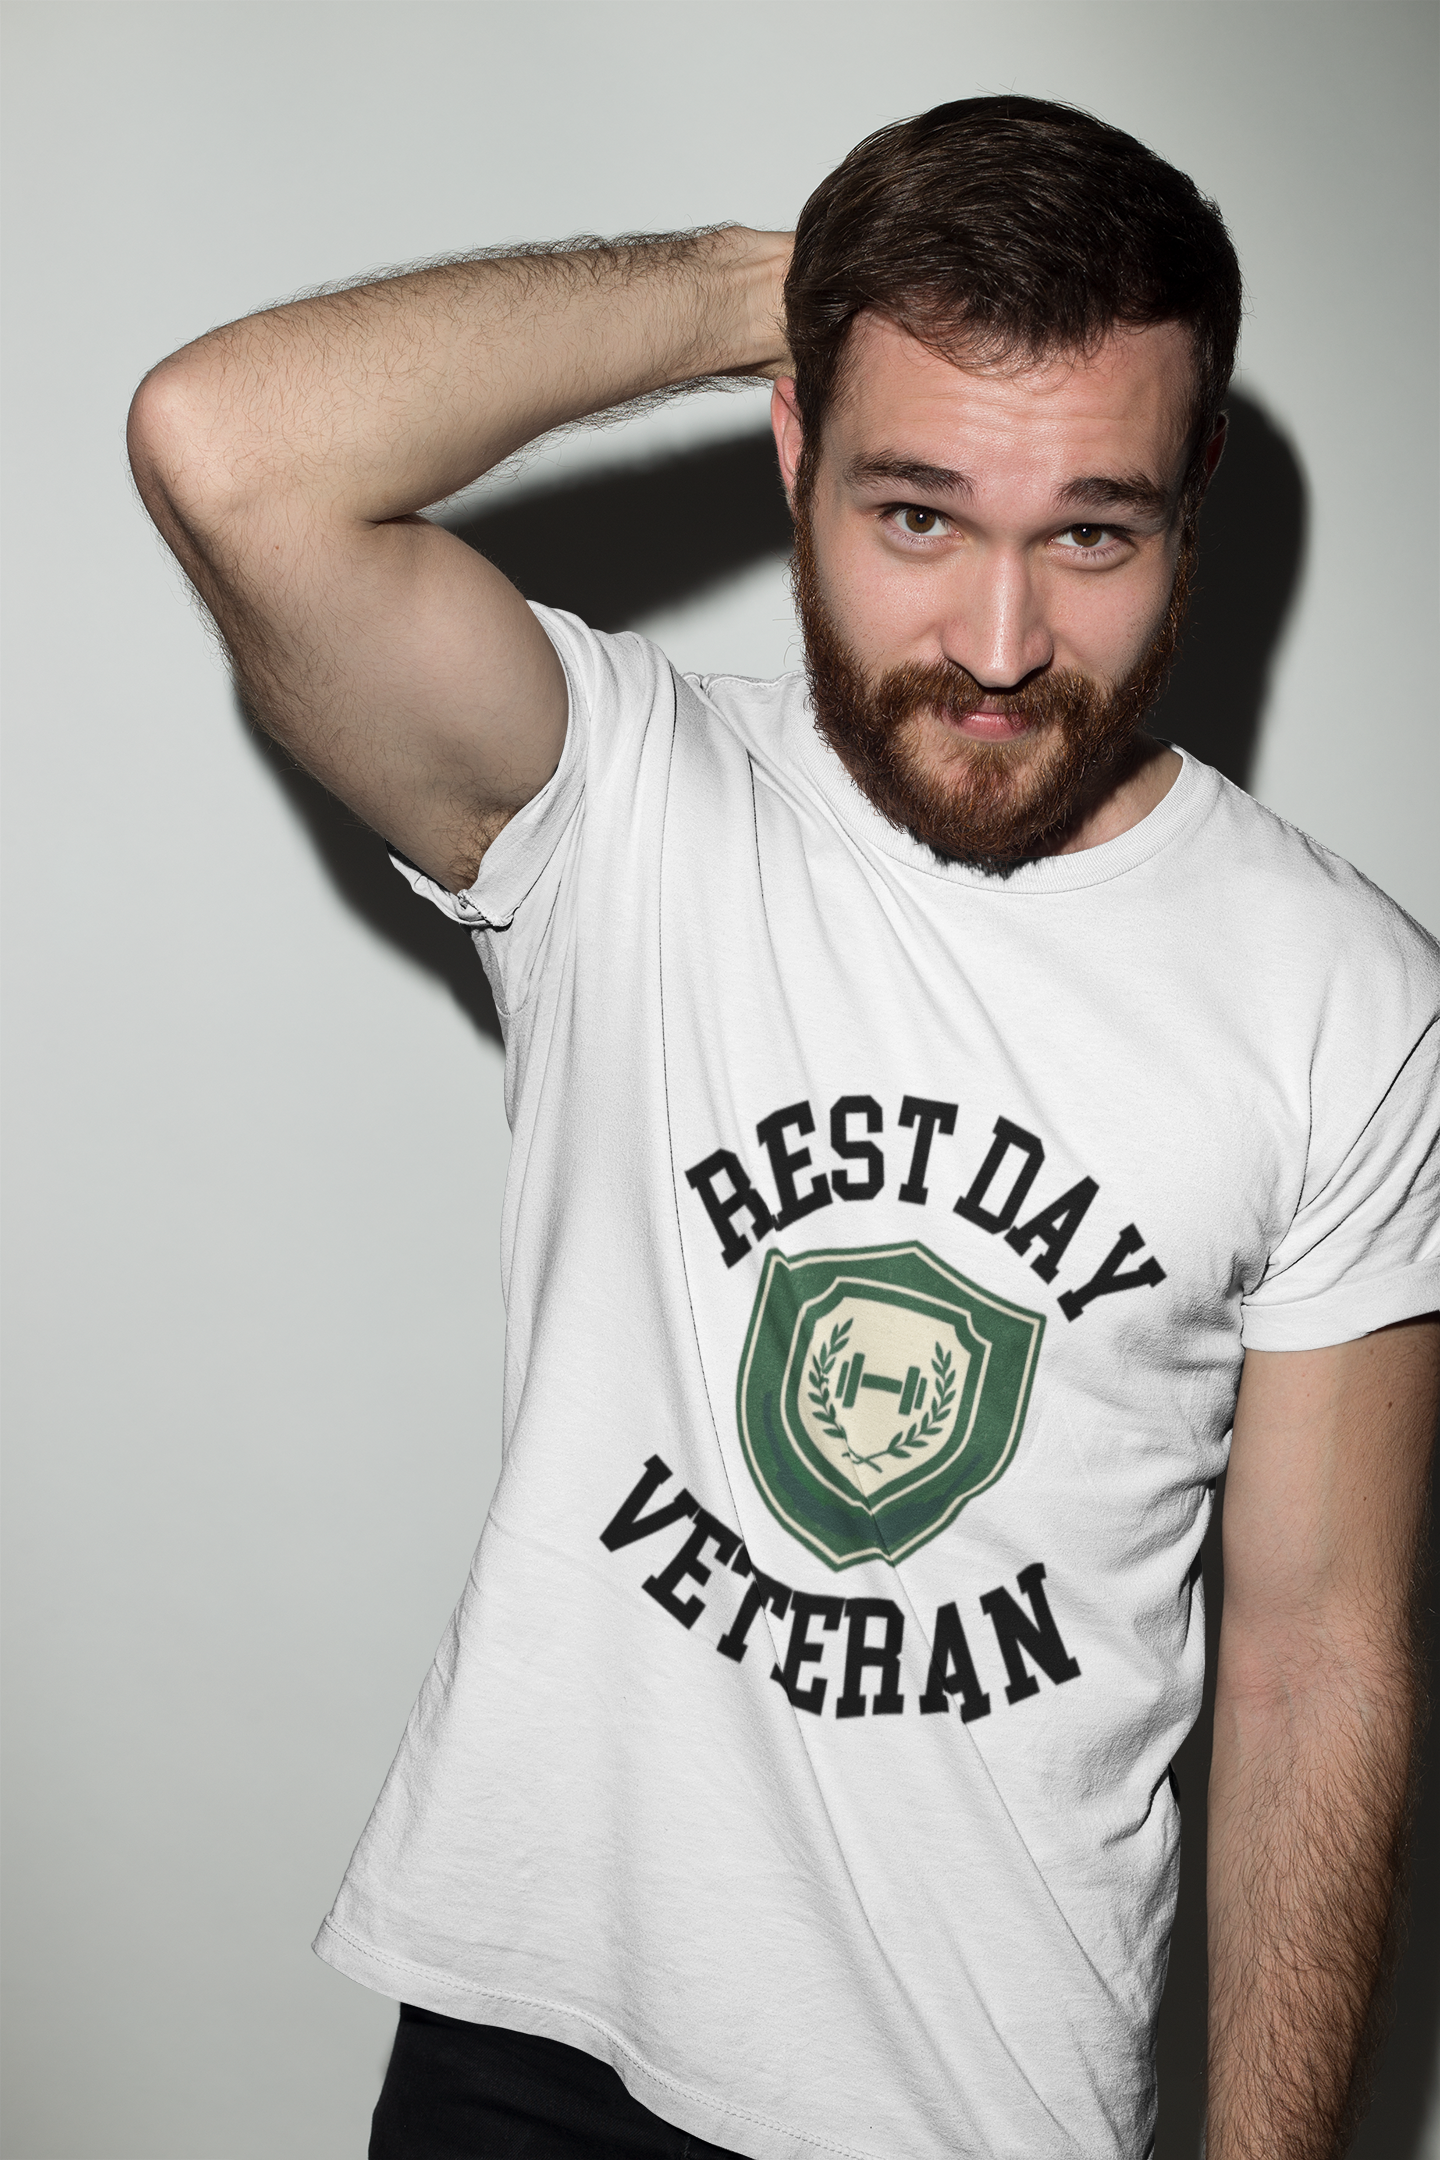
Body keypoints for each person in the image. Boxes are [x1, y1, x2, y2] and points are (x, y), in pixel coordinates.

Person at [128, 95, 1439, 2160]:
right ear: (795, 450)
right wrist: (786, 282)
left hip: (981, 2105)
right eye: (917, 512)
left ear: (1190, 509)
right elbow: (228, 449)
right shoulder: (624, 805)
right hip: (529, 2053)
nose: (1000, 649)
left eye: (1091, 530)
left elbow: (1317, 1662)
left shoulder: (1342, 996)